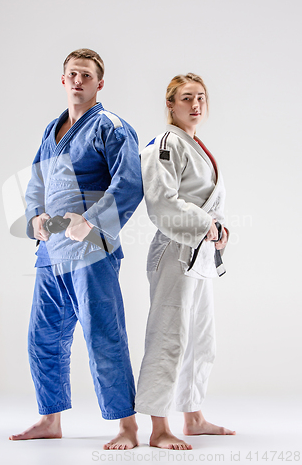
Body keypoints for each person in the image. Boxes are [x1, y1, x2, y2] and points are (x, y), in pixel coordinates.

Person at [9, 49, 142, 450]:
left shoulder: (112, 127)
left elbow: (130, 183)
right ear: (62, 80)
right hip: (52, 253)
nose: (78, 80)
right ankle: (50, 419)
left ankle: (127, 426)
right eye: (72, 74)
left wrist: (91, 221)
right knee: (43, 336)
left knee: (103, 335)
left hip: (91, 251)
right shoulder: (52, 129)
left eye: (86, 75)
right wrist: (35, 217)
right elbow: (36, 181)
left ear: (100, 83)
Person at [134, 73, 235, 450]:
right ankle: (159, 425)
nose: (195, 105)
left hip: (201, 251)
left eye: (201, 98)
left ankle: (193, 415)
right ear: (170, 105)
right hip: (175, 250)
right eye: (187, 98)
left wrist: (220, 228)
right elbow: (161, 203)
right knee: (169, 335)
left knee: (202, 337)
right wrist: (204, 224)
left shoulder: (196, 144)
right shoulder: (166, 143)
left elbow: (209, 203)